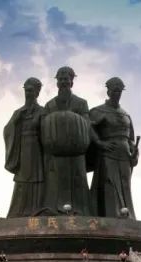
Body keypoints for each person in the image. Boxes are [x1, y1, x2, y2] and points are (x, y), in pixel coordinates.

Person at [43, 66, 93, 215]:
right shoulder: (50, 105)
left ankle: (81, 211)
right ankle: (53, 210)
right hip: (55, 152)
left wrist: (71, 121)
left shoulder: (81, 103)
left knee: (78, 181)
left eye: (66, 79)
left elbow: (87, 123)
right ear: (57, 82)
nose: (63, 82)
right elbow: (43, 126)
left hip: (76, 151)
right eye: (61, 79)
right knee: (54, 181)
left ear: (72, 81)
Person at [89, 77, 138, 219]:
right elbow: (88, 127)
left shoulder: (126, 115)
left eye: (120, 91)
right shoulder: (98, 111)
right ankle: (111, 215)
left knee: (125, 185)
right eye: (115, 90)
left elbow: (130, 139)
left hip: (124, 155)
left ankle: (127, 216)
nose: (117, 93)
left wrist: (134, 152)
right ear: (108, 91)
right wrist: (99, 142)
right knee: (110, 184)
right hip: (108, 153)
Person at [3, 77, 47, 217]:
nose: (28, 94)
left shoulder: (42, 111)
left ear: (37, 92)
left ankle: (37, 209)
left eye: (31, 90)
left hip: (36, 150)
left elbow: (47, 133)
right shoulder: (18, 113)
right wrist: (15, 122)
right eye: (26, 91)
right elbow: (7, 131)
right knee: (22, 180)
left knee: (37, 178)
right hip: (22, 150)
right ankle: (18, 211)